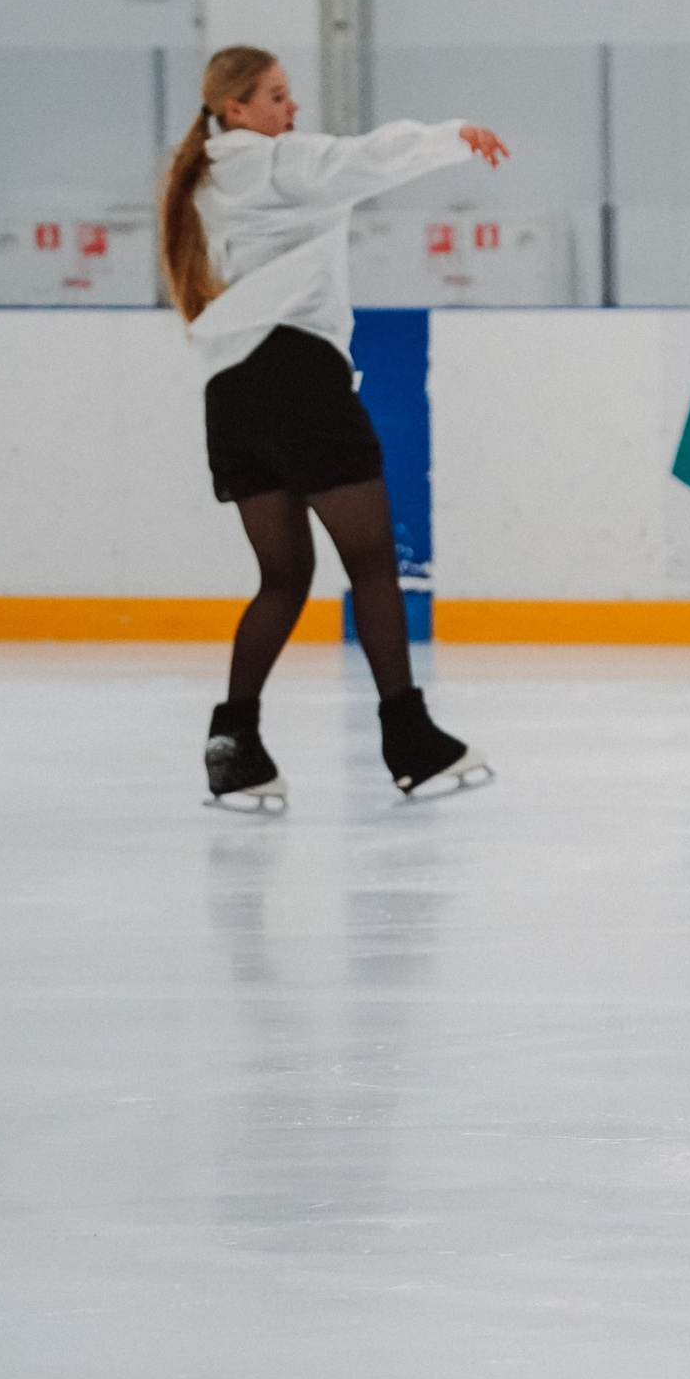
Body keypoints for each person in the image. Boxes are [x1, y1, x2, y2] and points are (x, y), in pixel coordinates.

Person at [157, 46, 502, 809]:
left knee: (282, 579)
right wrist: (453, 136)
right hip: (296, 377)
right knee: (374, 564)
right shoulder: (277, 168)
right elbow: (362, 160)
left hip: (231, 393)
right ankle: (409, 740)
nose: (292, 110)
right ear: (235, 111)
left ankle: (233, 743)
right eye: (277, 97)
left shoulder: (206, 181)